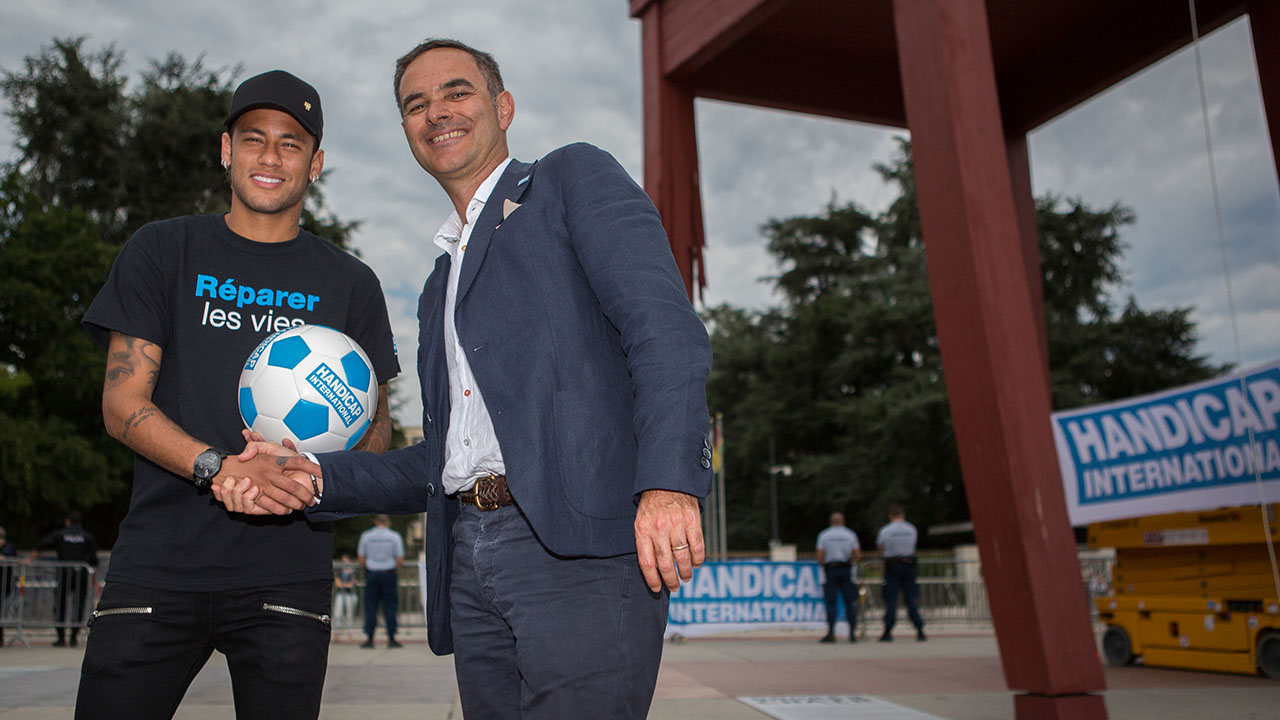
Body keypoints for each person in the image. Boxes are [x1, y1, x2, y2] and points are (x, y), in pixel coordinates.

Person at [217, 38, 713, 719]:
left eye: (456, 92)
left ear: (502, 107)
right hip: (472, 558)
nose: (436, 112)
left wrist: (668, 482)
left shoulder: (570, 180)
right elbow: (442, 455)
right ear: (406, 132)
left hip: (579, 551)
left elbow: (665, 331)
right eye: (415, 104)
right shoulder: (436, 285)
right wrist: (312, 475)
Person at [77, 69, 400, 718]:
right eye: (254, 139)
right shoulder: (163, 251)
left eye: (291, 143)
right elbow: (122, 404)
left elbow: (377, 431)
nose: (271, 157)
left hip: (286, 575)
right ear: (227, 149)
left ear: (316, 163)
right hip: (159, 564)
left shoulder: (351, 284)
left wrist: (309, 478)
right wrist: (216, 468)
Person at [32, 511, 98, 647]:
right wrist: (94, 580)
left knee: (60, 604)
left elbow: (42, 544)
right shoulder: (86, 537)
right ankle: (74, 637)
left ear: (67, 521)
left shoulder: (61, 534)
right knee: (78, 606)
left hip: (64, 574)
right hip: (81, 575)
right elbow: (94, 561)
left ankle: (61, 637)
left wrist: (30, 559)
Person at [877, 504, 926, 642]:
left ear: (890, 516)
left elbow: (881, 547)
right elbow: (913, 545)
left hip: (892, 566)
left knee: (891, 599)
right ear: (902, 515)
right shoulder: (911, 529)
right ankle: (919, 629)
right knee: (911, 599)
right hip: (909, 566)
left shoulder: (885, 530)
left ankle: (887, 630)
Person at [356, 515, 404, 648]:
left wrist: (369, 568)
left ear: (375, 522)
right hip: (389, 572)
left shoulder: (367, 536)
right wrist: (393, 570)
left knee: (371, 606)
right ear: (388, 522)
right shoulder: (394, 537)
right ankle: (392, 637)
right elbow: (399, 559)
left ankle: (370, 638)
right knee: (390, 606)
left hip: (372, 572)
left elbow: (361, 557)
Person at [815, 511, 861, 643]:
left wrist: (826, 564)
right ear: (843, 521)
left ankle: (831, 633)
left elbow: (819, 556)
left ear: (831, 522)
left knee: (831, 603)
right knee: (849, 602)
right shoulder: (850, 535)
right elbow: (857, 555)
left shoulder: (824, 535)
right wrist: (849, 561)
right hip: (846, 569)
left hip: (831, 569)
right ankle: (852, 633)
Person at [333, 553, 358, 641]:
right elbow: (338, 584)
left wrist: (344, 584)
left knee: (349, 615)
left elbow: (351, 584)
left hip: (350, 595)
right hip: (341, 594)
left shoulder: (353, 571)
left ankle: (350, 634)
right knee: (338, 614)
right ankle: (337, 634)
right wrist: (345, 585)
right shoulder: (339, 571)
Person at [0, 526, 19, 646]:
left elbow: (15, 561)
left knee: (3, 611)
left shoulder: (8, 548)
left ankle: (0, 636)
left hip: (5, 585)